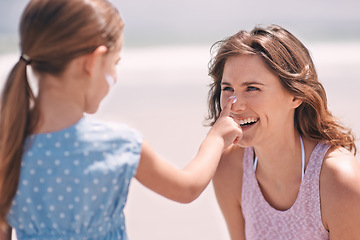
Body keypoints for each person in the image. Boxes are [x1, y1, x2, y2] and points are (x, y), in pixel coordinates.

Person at [0, 0, 242, 239]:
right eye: (115, 64)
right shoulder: (115, 145)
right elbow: (187, 187)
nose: (114, 76)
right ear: (92, 61)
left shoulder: (9, 146)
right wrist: (217, 137)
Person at [208, 24, 360, 240]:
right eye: (228, 88)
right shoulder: (229, 168)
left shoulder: (339, 181)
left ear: (295, 96)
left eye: (252, 88)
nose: (235, 105)